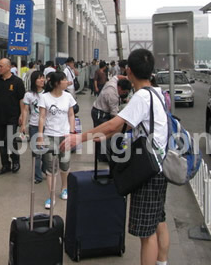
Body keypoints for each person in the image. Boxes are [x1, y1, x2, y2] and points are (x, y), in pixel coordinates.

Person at [61, 49, 170, 265]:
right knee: (159, 221)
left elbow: (113, 124)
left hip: (147, 172)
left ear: (127, 70)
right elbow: (122, 127)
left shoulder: (141, 96)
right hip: (160, 164)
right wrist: (102, 135)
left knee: (146, 235)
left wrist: (79, 139)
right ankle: (163, 262)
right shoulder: (157, 92)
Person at [37, 71, 76, 209]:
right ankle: (51, 196)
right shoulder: (45, 98)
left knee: (64, 165)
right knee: (50, 167)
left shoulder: (68, 97)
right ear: (56, 83)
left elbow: (71, 115)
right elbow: (41, 117)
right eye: (64, 80)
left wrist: (72, 132)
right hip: (49, 136)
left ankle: (64, 188)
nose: (67, 82)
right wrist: (40, 135)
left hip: (65, 135)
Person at [20, 71, 45, 184]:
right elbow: (25, 110)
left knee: (46, 152)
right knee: (36, 152)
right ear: (34, 80)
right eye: (39, 78)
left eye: (43, 78)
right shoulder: (28, 95)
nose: (42, 80)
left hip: (47, 126)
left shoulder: (47, 94)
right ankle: (38, 176)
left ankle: (44, 168)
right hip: (34, 125)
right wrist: (23, 125)